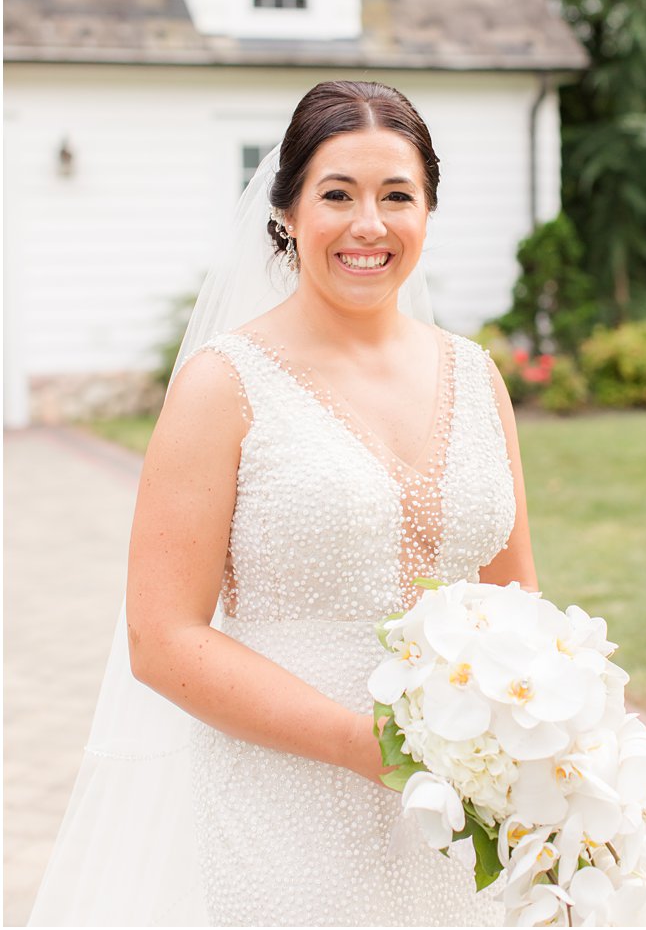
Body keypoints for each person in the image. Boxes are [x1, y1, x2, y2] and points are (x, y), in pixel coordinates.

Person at [30, 80, 535, 924]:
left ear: (427, 212)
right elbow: (162, 638)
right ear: (287, 211)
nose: (368, 224)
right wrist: (372, 744)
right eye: (337, 194)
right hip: (290, 799)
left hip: (461, 805)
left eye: (396, 195)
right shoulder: (222, 386)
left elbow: (517, 605)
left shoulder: (477, 378)